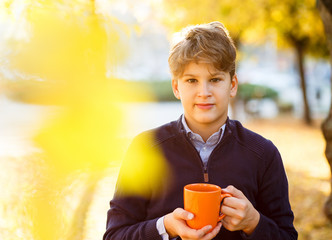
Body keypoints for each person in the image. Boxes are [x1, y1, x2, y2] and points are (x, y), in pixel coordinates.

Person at [103, 21, 297, 240]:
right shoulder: (145, 148)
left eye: (214, 79)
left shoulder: (263, 154)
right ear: (176, 87)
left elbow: (287, 236)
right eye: (192, 80)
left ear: (232, 85)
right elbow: (114, 235)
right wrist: (165, 227)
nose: (204, 92)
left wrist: (254, 223)